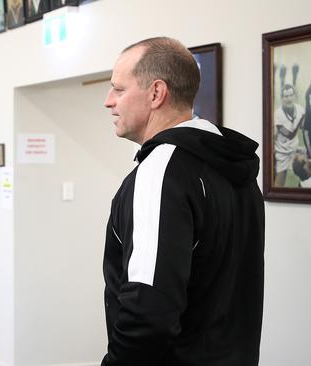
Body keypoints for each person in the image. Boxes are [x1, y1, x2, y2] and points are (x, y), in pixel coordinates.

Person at [101, 37, 264, 365]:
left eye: (118, 89)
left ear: (156, 93)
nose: (108, 101)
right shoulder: (235, 171)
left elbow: (148, 309)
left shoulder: (160, 171)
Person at [274, 84, 305, 186]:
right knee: (279, 183)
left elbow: (304, 128)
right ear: (282, 98)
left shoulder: (300, 110)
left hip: (295, 150)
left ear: (295, 96)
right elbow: (289, 135)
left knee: (304, 174)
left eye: (291, 95)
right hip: (281, 153)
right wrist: (301, 119)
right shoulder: (277, 115)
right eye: (286, 96)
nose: (289, 99)